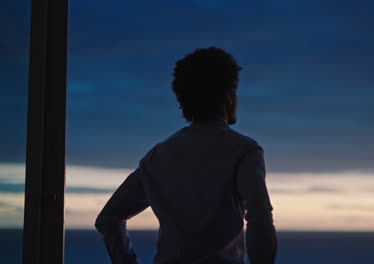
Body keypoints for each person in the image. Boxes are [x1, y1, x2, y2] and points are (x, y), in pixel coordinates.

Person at [95, 47, 277, 264]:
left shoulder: (157, 156)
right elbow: (259, 220)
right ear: (229, 97)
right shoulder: (244, 151)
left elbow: (108, 219)